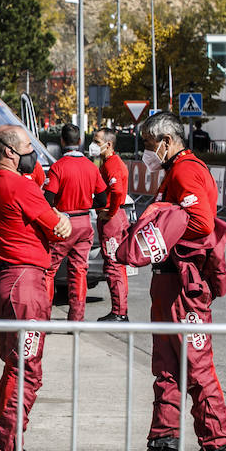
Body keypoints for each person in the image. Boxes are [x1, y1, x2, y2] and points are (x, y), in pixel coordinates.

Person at [126, 111, 226, 451]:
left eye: (148, 145)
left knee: (196, 366)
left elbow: (201, 223)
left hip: (183, 286)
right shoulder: (177, 171)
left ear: (166, 142)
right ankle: (162, 446)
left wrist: (163, 226)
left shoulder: (185, 170)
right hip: (171, 284)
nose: (147, 153)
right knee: (168, 369)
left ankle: (216, 447)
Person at [0, 125, 71, 451]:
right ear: (11, 153)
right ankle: (5, 450)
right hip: (23, 284)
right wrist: (61, 219)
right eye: (29, 147)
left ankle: (3, 443)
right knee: (26, 370)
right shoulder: (19, 186)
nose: (34, 153)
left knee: (14, 367)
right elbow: (57, 226)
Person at [43, 123, 108, 322]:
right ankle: (76, 319)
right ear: (80, 142)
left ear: (62, 142)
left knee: (49, 270)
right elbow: (104, 199)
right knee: (79, 270)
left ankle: (42, 317)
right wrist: (88, 203)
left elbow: (48, 199)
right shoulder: (91, 166)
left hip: (64, 224)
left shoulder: (58, 167)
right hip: (84, 223)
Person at [90, 127, 130, 322]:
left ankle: (119, 312)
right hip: (114, 217)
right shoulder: (109, 162)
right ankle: (120, 310)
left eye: (97, 142)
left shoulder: (112, 164)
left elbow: (116, 190)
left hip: (112, 220)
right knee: (116, 264)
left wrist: (110, 212)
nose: (93, 145)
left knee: (114, 265)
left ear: (109, 144)